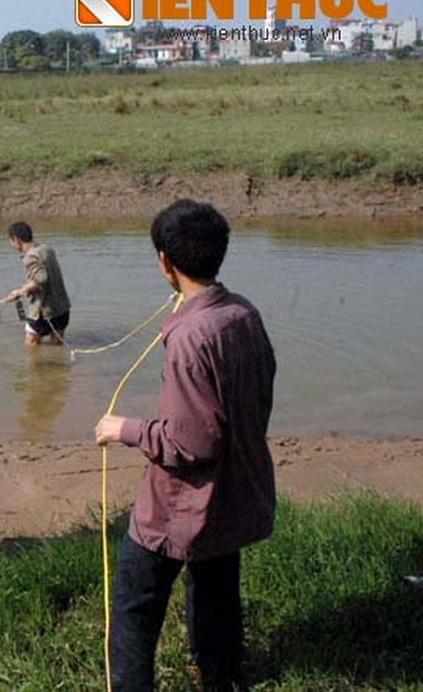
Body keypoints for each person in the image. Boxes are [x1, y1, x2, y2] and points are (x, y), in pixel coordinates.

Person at [94, 199, 276, 691]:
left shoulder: (191, 336)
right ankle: (220, 677)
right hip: (235, 493)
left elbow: (190, 442)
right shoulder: (244, 313)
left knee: (134, 608)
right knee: (216, 588)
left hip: (180, 505)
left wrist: (123, 428)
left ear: (165, 263)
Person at [6, 222, 71, 346]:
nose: (12, 245)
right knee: (57, 345)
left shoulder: (30, 257)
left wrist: (20, 291)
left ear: (16, 240)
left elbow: (41, 279)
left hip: (44, 313)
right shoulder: (47, 248)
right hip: (62, 308)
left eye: (11, 241)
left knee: (31, 346)